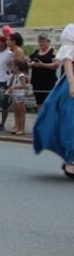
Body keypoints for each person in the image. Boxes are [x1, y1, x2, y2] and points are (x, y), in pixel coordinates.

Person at [33, 24, 74, 178]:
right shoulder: (72, 31)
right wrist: (71, 83)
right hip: (72, 81)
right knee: (70, 121)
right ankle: (71, 160)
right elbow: (68, 60)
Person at [29, 32, 58, 108]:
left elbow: (56, 65)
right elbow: (29, 62)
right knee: (39, 103)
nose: (41, 43)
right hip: (37, 82)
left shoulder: (53, 51)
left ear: (48, 41)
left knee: (49, 103)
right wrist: (31, 64)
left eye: (43, 41)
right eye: (40, 41)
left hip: (49, 82)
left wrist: (42, 65)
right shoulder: (35, 52)